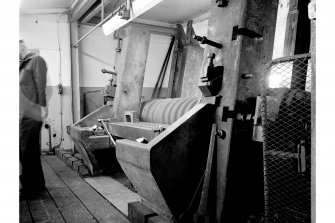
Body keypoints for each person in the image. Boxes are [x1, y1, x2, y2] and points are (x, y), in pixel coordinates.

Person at [19, 39, 48, 199]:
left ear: (20, 44)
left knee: (26, 152)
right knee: (28, 151)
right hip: (23, 114)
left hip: (33, 113)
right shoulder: (22, 64)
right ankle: (37, 186)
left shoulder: (36, 60)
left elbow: (40, 84)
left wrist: (43, 108)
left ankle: (31, 189)